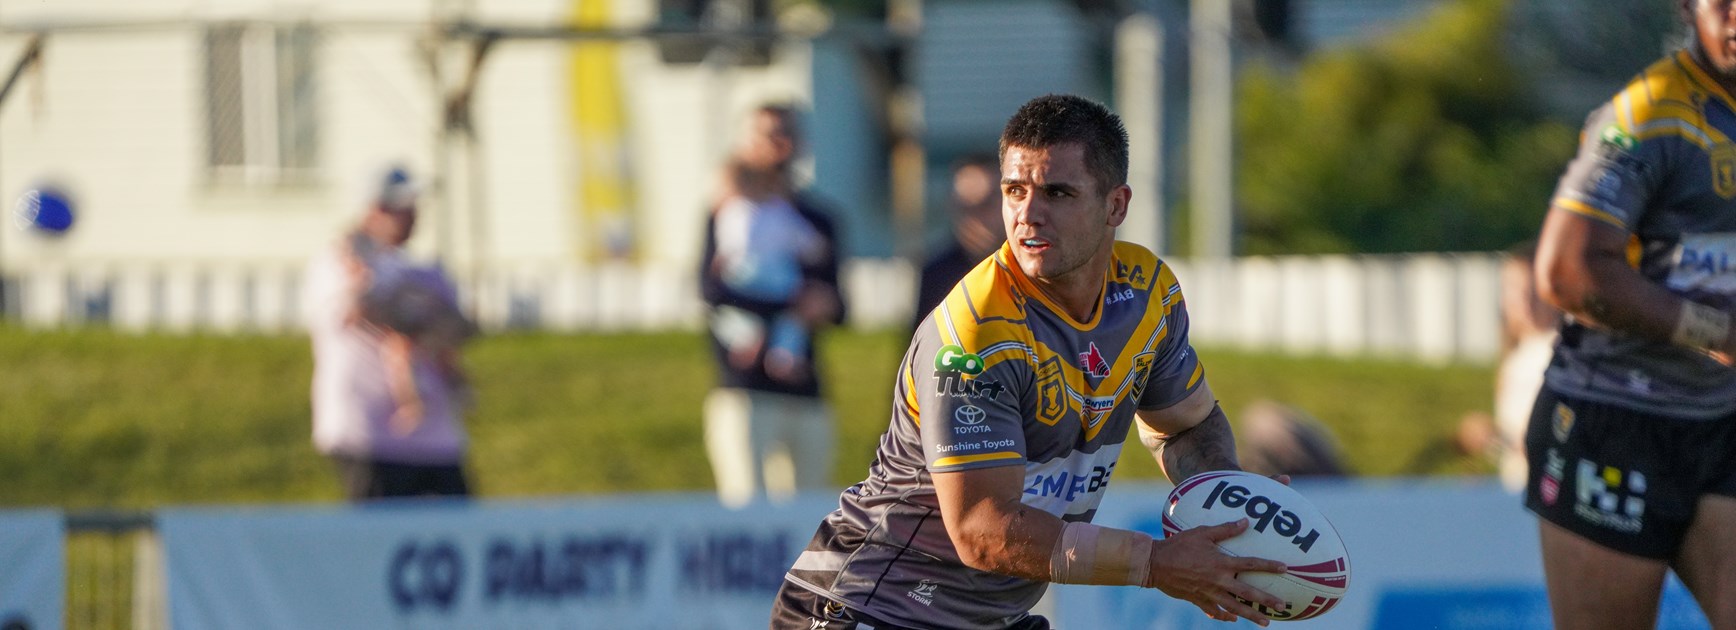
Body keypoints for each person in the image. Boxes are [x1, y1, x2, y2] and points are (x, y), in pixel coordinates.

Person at [770, 94, 1287, 629]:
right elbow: (983, 530)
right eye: (1014, 191)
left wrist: (1232, 504)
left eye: (1057, 193)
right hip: (872, 605)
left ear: (1116, 205)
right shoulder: (975, 335)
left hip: (987, 617)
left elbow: (1186, 426)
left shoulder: (1147, 294)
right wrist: (1156, 564)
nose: (1027, 215)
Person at [1528, 1, 1736, 626]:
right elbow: (1567, 272)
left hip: (1723, 418)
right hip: (1615, 424)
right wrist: (1719, 332)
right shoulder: (1651, 112)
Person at [699, 103, 847, 509]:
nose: (775, 145)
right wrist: (791, 302)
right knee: (746, 510)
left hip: (805, 388)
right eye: (764, 134)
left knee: (810, 517)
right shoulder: (725, 211)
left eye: (784, 134)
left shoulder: (818, 219)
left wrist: (818, 306)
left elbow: (838, 307)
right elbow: (712, 291)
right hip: (744, 386)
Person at [303, 167, 475, 501]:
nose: (413, 215)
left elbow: (458, 327)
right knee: (378, 544)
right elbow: (358, 310)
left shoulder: (418, 271)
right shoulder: (337, 263)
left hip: (437, 439)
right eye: (401, 206)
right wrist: (416, 319)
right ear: (373, 209)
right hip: (370, 436)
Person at [910, 153, 1005, 332]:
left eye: (986, 203)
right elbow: (919, 348)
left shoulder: (1034, 267)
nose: (976, 217)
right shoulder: (936, 273)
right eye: (966, 205)